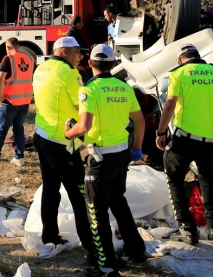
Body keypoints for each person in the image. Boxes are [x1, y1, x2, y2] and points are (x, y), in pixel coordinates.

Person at [65, 44, 147, 276]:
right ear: (113, 64)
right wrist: (137, 148)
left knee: (95, 212)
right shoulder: (124, 87)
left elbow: (84, 126)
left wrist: (68, 133)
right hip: (122, 155)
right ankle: (136, 250)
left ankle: (106, 266)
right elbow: (140, 121)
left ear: (90, 64)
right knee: (119, 202)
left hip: (100, 158)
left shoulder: (89, 90)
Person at [156, 43, 213, 245]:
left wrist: (160, 131)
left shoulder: (179, 73)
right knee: (207, 179)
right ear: (198, 56)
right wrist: (212, 105)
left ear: (180, 59)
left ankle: (186, 229)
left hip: (185, 138)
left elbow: (169, 105)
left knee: (174, 178)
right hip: (212, 140)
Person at [31, 36, 95, 262]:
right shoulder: (69, 73)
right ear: (66, 51)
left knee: (50, 187)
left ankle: (50, 236)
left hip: (42, 134)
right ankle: (92, 245)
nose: (81, 56)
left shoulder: (43, 67)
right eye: (78, 52)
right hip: (61, 141)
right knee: (79, 194)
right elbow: (83, 105)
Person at [0, 37, 34, 166]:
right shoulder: (30, 59)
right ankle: (19, 157)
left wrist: (1, 97)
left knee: (2, 128)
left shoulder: (9, 59)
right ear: (19, 46)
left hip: (11, 100)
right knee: (19, 129)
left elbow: (0, 79)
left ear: (8, 48)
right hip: (25, 100)